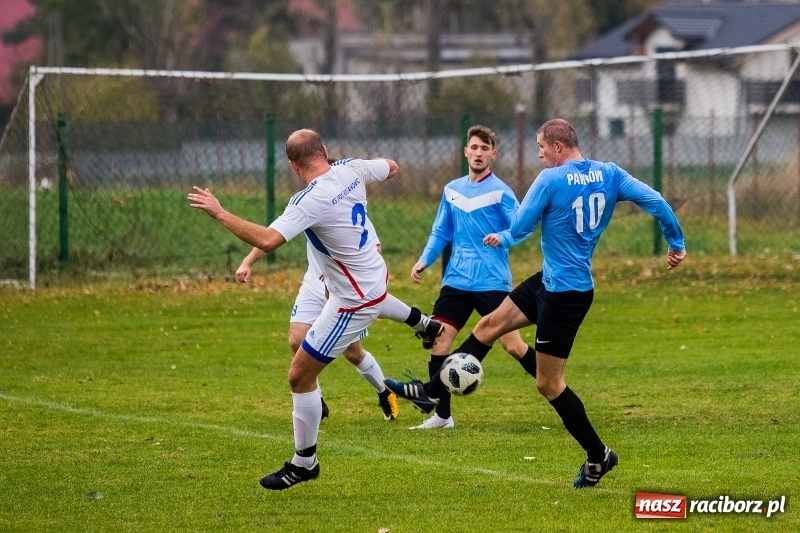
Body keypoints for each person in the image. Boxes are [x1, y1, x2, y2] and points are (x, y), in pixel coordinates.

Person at [386, 118, 686, 488]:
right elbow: (656, 201)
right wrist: (676, 243)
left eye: (542, 147)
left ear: (558, 146)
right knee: (488, 326)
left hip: (565, 295)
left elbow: (522, 225)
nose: (540, 154)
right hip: (549, 281)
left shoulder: (550, 180)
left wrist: (505, 235)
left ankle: (598, 455)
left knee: (549, 384)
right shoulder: (610, 174)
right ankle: (432, 391)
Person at [188, 129, 442, 490]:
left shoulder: (308, 199)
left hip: (353, 300)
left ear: (293, 166)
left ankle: (304, 463)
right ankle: (421, 324)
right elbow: (392, 166)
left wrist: (220, 212)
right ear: (324, 150)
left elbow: (268, 239)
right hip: (369, 279)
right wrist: (353, 169)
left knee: (299, 375)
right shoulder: (350, 169)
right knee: (306, 351)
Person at [408, 125, 537, 430]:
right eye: (474, 148)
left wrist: (503, 238)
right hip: (456, 280)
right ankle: (442, 416)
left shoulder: (501, 192)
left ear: (493, 154)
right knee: (439, 339)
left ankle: (554, 385)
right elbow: (441, 231)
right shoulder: (452, 190)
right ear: (465, 152)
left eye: (484, 148)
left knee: (513, 346)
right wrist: (425, 259)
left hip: (492, 281)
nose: (478, 153)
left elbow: (522, 227)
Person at [235, 217, 399, 422]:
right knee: (296, 340)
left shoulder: (350, 207)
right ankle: (317, 403)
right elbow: (273, 235)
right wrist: (247, 262)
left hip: (344, 289)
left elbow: (375, 249)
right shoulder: (310, 206)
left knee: (352, 352)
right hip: (313, 287)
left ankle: (384, 391)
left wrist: (340, 268)